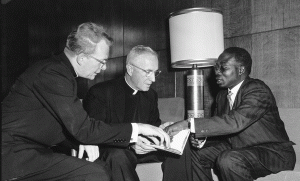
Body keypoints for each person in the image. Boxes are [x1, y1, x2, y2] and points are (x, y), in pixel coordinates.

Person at [1, 22, 170, 181]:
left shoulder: (59, 72)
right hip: (13, 154)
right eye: (102, 61)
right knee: (95, 173)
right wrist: (138, 128)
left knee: (98, 169)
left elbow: (54, 125)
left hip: (28, 151)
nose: (104, 67)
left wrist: (79, 142)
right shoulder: (53, 74)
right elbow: (84, 128)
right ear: (82, 58)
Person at [164, 47, 296, 181]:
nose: (217, 72)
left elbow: (235, 122)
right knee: (195, 154)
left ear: (241, 70)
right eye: (216, 68)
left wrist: (188, 123)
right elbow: (222, 130)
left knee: (228, 159)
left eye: (223, 68)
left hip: (273, 153)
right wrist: (202, 139)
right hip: (239, 149)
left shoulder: (257, 90)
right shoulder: (222, 96)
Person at [82, 45, 166, 181]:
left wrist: (162, 134)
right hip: (110, 150)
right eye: (148, 72)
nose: (153, 79)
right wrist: (131, 143)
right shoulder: (100, 92)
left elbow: (154, 125)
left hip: (143, 152)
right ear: (130, 69)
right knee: (118, 156)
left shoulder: (151, 95)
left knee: (179, 155)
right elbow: (94, 134)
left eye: (156, 72)